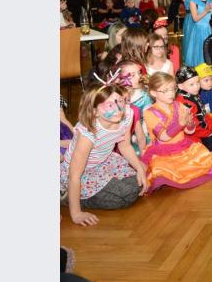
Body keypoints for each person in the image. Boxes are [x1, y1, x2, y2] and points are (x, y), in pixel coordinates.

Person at [60, 83, 148, 226]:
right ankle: (69, 197)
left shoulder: (126, 114)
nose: (118, 109)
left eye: (120, 101)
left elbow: (124, 145)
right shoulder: (88, 134)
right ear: (94, 111)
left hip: (104, 161)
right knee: (126, 195)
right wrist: (76, 213)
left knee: (141, 173)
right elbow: (74, 175)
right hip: (82, 173)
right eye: (109, 105)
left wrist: (139, 170)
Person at [141, 73, 212, 192]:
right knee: (162, 171)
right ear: (154, 93)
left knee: (204, 158)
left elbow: (189, 131)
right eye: (166, 91)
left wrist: (190, 123)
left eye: (173, 89)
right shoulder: (149, 112)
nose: (171, 93)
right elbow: (164, 137)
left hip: (183, 145)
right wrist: (180, 123)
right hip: (163, 151)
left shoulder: (179, 105)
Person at [176, 66, 212, 154]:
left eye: (197, 82)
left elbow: (204, 115)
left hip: (203, 130)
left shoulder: (193, 95)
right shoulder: (184, 103)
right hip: (194, 136)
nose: (196, 87)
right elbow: (194, 128)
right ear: (180, 86)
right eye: (191, 84)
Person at [182, 0, 212, 67]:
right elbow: (195, 18)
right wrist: (205, 11)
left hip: (210, 29)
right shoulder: (193, 0)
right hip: (199, 31)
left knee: (211, 52)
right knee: (200, 54)